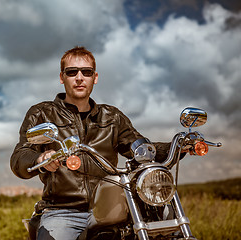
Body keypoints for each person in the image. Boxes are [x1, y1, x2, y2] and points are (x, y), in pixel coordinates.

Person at [10, 46, 172, 240]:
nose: (79, 77)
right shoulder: (42, 114)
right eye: (72, 72)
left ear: (94, 77)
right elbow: (20, 156)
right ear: (62, 77)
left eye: (86, 72)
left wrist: (179, 146)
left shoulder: (112, 117)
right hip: (63, 211)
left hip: (111, 205)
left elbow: (141, 149)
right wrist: (41, 158)